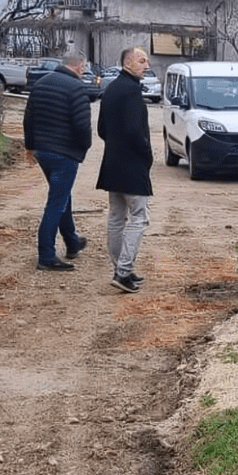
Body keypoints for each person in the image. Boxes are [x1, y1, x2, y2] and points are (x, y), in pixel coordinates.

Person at [23, 53, 92, 271]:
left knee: (62, 196)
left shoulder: (41, 83)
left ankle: (72, 242)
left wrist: (30, 147)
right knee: (56, 203)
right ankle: (46, 255)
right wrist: (84, 147)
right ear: (79, 66)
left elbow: (28, 118)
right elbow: (82, 126)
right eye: (84, 66)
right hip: (65, 153)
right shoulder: (76, 87)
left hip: (43, 151)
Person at [95, 47, 153, 293]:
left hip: (113, 163)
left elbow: (101, 129)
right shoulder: (130, 91)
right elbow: (134, 131)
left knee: (117, 218)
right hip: (131, 165)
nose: (146, 65)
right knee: (139, 217)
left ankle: (122, 270)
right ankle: (122, 272)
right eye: (142, 61)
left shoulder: (111, 88)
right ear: (128, 63)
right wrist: (146, 153)